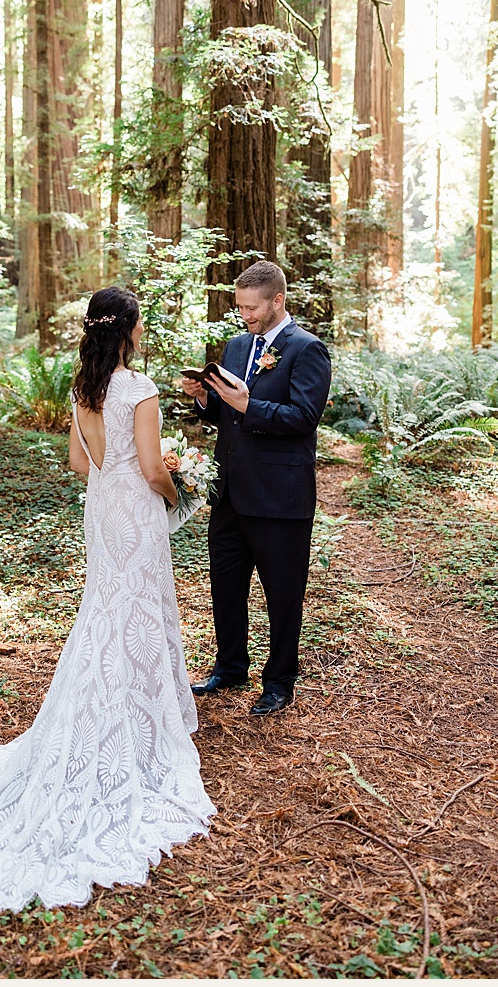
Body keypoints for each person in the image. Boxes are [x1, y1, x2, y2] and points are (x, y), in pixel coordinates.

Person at [0, 287, 216, 930]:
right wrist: (179, 486)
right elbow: (147, 467)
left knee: (109, 611)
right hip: (135, 512)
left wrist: (137, 478)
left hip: (100, 512)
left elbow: (83, 463)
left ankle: (116, 706)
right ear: (132, 330)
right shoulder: (138, 388)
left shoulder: (84, 388)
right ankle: (141, 720)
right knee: (136, 610)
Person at [178, 261, 333, 717]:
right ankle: (230, 668)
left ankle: (280, 680)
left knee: (283, 593)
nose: (244, 314)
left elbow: (304, 418)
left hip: (280, 496)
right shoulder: (237, 345)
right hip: (230, 492)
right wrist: (205, 398)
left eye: (252, 307)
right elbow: (228, 418)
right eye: (240, 306)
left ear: (277, 300)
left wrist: (250, 403)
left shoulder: (308, 350)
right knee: (226, 585)